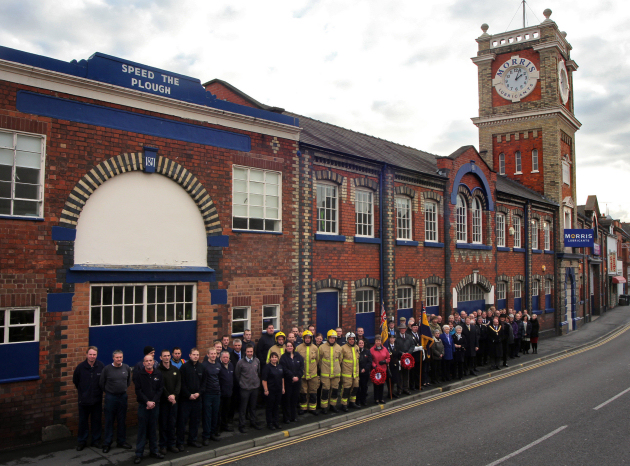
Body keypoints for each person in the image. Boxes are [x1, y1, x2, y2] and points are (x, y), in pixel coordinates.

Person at [132, 354, 164, 464]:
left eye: (151, 360)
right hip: (143, 406)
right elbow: (138, 390)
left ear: (153, 362)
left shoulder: (158, 373)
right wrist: (147, 402)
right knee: (142, 430)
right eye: (147, 361)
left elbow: (160, 389)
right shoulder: (139, 374)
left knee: (153, 429)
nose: (149, 362)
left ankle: (154, 451)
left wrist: (153, 401)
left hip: (155, 406)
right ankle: (139, 454)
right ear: (144, 363)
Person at [100, 350, 132, 453]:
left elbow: (128, 382)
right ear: (113, 358)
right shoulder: (107, 369)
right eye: (117, 357)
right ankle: (107, 443)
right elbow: (101, 383)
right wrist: (110, 392)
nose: (119, 359)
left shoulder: (126, 367)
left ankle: (121, 441)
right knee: (109, 420)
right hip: (111, 398)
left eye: (121, 357)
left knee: (122, 420)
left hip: (122, 397)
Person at [73, 346, 105, 450]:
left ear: (97, 355)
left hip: (96, 400)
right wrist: (84, 393)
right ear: (86, 354)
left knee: (96, 421)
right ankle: (82, 441)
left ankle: (96, 441)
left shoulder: (100, 366)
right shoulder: (80, 367)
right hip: (84, 401)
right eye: (90, 354)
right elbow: (76, 381)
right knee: (83, 422)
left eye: (94, 354)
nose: (92, 356)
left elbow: (103, 381)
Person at [177, 348, 204, 450]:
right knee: (182, 422)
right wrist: (188, 395)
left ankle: (192, 440)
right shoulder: (184, 368)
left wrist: (199, 393)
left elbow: (204, 383)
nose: (196, 356)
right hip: (186, 400)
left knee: (195, 421)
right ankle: (180, 442)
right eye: (194, 354)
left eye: (197, 354)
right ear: (189, 355)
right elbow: (181, 384)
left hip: (197, 399)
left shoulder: (201, 367)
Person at [157, 349, 180, 455]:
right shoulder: (158, 370)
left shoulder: (175, 369)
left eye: (168, 355)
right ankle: (163, 445)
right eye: (164, 356)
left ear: (170, 356)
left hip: (174, 402)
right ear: (160, 358)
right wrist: (168, 396)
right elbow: (160, 386)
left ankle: (172, 444)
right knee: (163, 424)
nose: (166, 357)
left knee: (172, 423)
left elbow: (178, 384)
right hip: (163, 402)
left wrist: (174, 395)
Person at [235, 345, 262, 433]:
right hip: (245, 388)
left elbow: (258, 372)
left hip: (255, 388)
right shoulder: (240, 362)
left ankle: (253, 422)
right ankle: (242, 425)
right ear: (245, 352)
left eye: (251, 351)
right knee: (243, 408)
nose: (250, 353)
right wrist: (242, 383)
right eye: (248, 352)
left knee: (253, 407)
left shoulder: (257, 361)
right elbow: (237, 375)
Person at [296, 330, 320, 415]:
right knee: (303, 392)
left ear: (311, 338)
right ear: (303, 338)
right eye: (306, 338)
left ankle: (312, 408)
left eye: (309, 338)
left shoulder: (315, 348)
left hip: (313, 374)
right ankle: (303, 408)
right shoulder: (298, 348)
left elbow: (317, 360)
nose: (307, 339)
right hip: (302, 374)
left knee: (313, 391)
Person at [319, 329, 343, 414]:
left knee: (335, 390)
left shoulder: (339, 348)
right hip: (325, 374)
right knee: (325, 390)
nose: (332, 339)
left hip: (336, 373)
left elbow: (340, 360)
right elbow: (319, 360)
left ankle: (333, 405)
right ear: (328, 338)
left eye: (334, 338)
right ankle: (324, 407)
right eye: (331, 338)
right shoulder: (322, 347)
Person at [201, 347, 222, 445]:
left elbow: (219, 378)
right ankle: (206, 436)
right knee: (207, 416)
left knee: (215, 415)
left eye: (215, 354)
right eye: (211, 354)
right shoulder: (204, 366)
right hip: (207, 394)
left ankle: (213, 433)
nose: (213, 355)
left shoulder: (218, 365)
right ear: (208, 355)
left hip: (216, 393)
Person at [279, 341, 303, 423]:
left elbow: (301, 368)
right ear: (286, 348)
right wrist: (292, 376)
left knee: (294, 400)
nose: (289, 347)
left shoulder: (298, 356)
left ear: (293, 347)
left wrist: (298, 376)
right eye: (288, 346)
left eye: (291, 346)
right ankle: (287, 418)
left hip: (297, 382)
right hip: (288, 382)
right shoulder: (283, 357)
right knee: (287, 400)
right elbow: (284, 369)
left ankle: (294, 416)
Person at [262, 352, 285, 430]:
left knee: (276, 407)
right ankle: (270, 423)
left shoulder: (280, 366)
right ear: (270, 358)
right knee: (270, 407)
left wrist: (283, 388)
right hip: (270, 391)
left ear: (278, 358)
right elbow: (264, 380)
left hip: (278, 390)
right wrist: (266, 390)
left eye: (276, 357)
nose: (274, 358)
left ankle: (276, 422)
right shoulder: (267, 367)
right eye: (273, 357)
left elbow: (282, 378)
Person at [340, 332, 360, 411]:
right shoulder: (343, 348)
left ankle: (352, 402)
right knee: (346, 389)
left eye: (353, 339)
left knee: (355, 388)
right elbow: (340, 361)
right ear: (347, 340)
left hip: (355, 373)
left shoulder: (357, 347)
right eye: (350, 339)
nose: (351, 341)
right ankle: (344, 404)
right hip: (347, 373)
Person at [395, 318, 414, 394]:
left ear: (406, 329)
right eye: (401, 329)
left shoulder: (409, 336)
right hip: (400, 358)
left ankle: (406, 388)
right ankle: (399, 389)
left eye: (404, 329)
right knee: (399, 375)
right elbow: (395, 347)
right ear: (399, 329)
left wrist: (408, 353)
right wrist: (401, 353)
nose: (402, 330)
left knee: (406, 374)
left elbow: (412, 345)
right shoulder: (396, 338)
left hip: (407, 358)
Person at [218, 350, 235, 432]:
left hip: (229, 393)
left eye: (227, 357)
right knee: (219, 412)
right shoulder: (218, 366)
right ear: (221, 358)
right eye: (224, 357)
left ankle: (224, 425)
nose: (225, 359)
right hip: (220, 394)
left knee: (226, 411)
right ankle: (218, 427)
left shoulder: (231, 365)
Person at [370, 336, 390, 404]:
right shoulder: (372, 349)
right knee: (376, 385)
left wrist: (385, 361)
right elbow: (371, 359)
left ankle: (381, 398)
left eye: (379, 341)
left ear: (381, 342)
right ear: (375, 342)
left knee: (382, 385)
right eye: (377, 341)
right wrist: (374, 365)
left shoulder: (385, 349)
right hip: (376, 370)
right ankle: (376, 399)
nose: (378, 342)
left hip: (383, 370)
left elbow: (388, 358)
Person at [384, 333, 402, 398]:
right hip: (389, 364)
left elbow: (399, 353)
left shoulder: (397, 346)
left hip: (395, 364)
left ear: (394, 339)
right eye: (390, 338)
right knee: (389, 379)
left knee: (395, 379)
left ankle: (392, 392)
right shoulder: (386, 346)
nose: (391, 339)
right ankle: (389, 392)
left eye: (393, 338)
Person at [357, 339, 372, 406]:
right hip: (358, 373)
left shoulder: (367, 352)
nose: (361, 344)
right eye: (359, 343)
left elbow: (369, 362)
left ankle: (364, 400)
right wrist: (360, 369)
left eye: (362, 343)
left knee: (364, 387)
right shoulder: (356, 352)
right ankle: (358, 401)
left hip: (365, 373)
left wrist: (365, 369)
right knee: (358, 388)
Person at [409, 323, 423, 390]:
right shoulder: (410, 335)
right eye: (414, 327)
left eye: (416, 327)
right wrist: (417, 348)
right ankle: (412, 386)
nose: (415, 328)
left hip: (418, 356)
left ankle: (418, 385)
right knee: (412, 372)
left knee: (418, 371)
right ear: (411, 328)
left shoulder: (419, 335)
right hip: (413, 356)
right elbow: (410, 346)